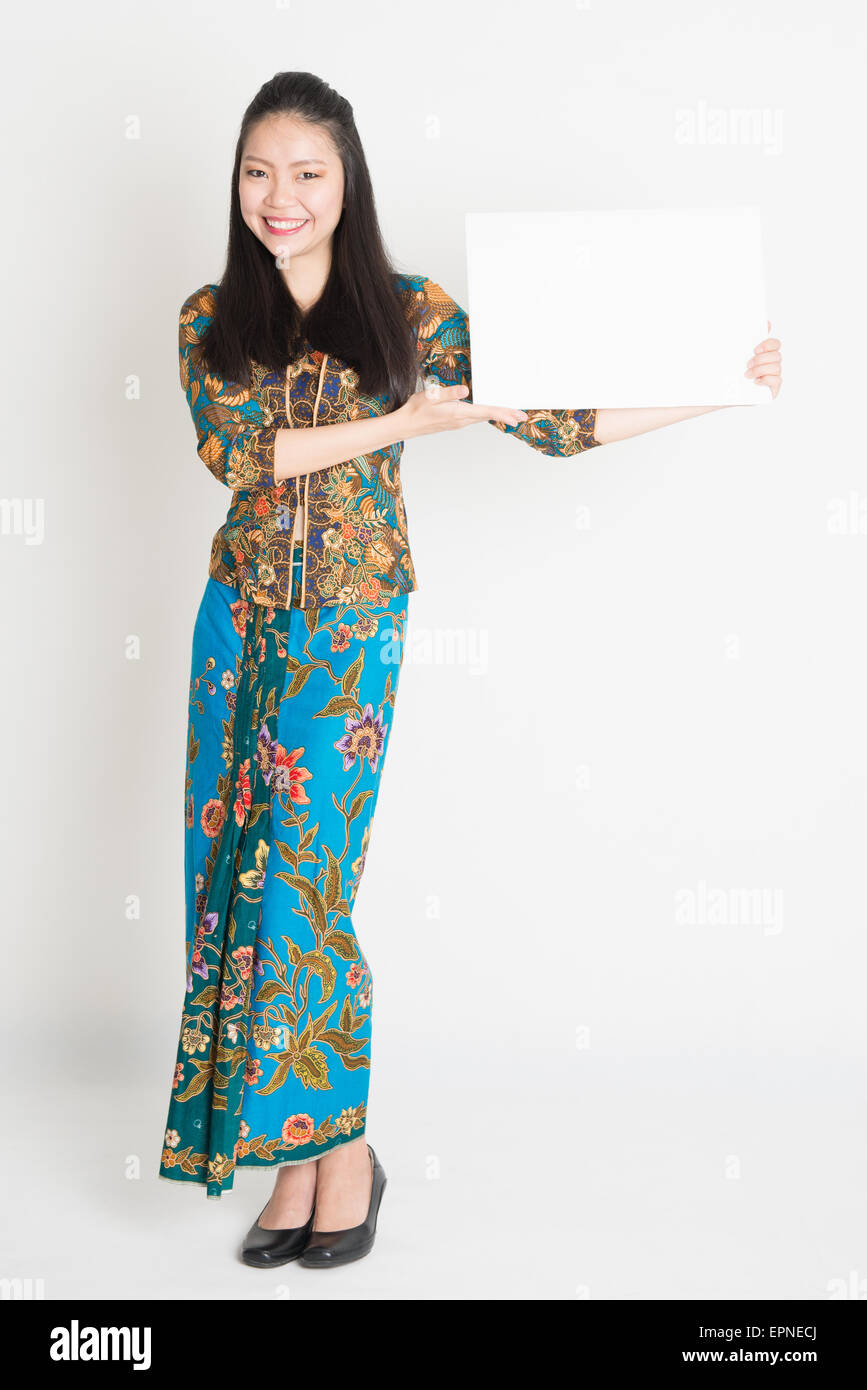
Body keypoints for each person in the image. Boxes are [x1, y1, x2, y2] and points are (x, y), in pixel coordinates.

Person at [158, 71, 783, 1270]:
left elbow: (552, 415)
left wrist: (719, 381)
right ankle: (299, 1159)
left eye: (306, 173)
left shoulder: (409, 310)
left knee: (308, 897)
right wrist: (402, 425)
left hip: (346, 636)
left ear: (348, 183)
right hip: (232, 624)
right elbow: (243, 456)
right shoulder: (208, 315)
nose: (279, 198)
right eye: (258, 172)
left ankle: (341, 1156)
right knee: (230, 883)